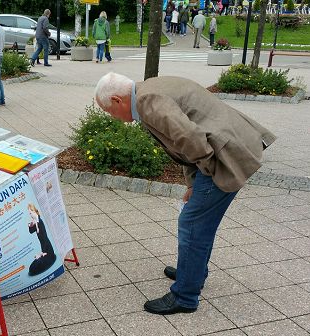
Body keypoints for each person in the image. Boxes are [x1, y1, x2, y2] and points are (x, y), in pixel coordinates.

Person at [94, 72, 276, 315]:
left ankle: (185, 296)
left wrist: (208, 172)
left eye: (109, 112)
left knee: (193, 223)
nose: (113, 118)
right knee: (201, 222)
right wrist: (193, 183)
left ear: (117, 100)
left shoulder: (148, 102)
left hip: (224, 155)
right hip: (229, 145)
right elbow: (181, 143)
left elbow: (190, 138)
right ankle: (192, 272)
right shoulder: (149, 88)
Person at [27, 203, 56, 276]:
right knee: (38, 261)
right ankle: (43, 256)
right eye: (29, 214)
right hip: (43, 244)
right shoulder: (35, 222)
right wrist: (31, 226)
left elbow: (44, 237)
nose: (30, 215)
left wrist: (43, 252)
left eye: (31, 213)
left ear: (34, 211)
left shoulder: (40, 222)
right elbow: (31, 231)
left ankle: (47, 255)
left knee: (44, 257)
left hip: (46, 245)